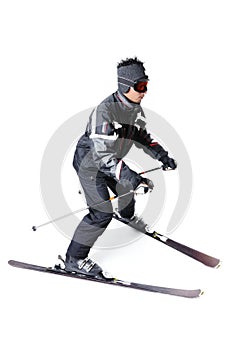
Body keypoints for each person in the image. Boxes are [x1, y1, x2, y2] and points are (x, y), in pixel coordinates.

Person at [65, 57, 177, 278]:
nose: (145, 91)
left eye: (146, 85)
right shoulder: (103, 112)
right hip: (90, 165)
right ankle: (74, 259)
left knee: (126, 188)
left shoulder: (134, 109)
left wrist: (162, 156)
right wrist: (132, 177)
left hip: (111, 160)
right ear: (126, 86)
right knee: (101, 213)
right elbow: (103, 157)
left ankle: (127, 216)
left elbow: (140, 135)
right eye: (140, 86)